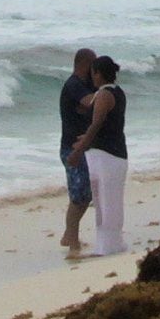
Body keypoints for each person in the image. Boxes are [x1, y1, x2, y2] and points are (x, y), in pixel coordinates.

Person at [69, 53, 130, 257]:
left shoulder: (104, 94)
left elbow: (97, 124)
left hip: (107, 154)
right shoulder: (116, 92)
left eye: (93, 73)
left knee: (105, 200)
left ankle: (108, 246)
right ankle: (109, 243)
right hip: (110, 153)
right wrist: (84, 141)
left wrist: (78, 149)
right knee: (106, 200)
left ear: (98, 73)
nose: (91, 77)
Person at [56, 46, 99, 253]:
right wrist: (107, 93)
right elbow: (90, 102)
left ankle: (68, 234)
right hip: (71, 149)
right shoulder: (74, 85)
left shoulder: (86, 84)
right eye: (94, 65)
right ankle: (72, 240)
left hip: (83, 147)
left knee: (86, 194)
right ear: (85, 65)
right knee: (78, 195)